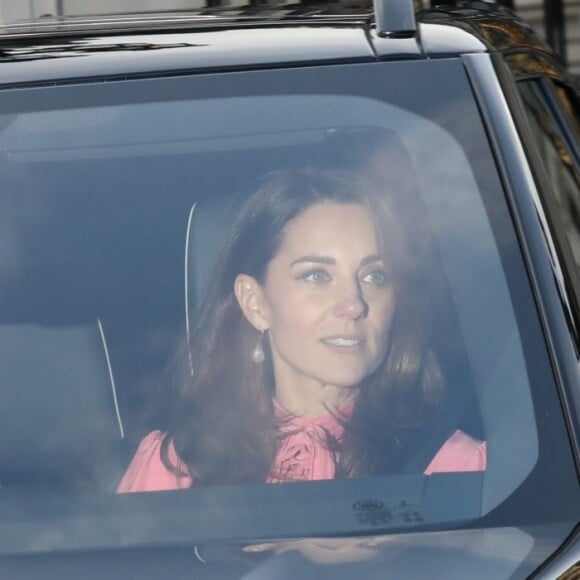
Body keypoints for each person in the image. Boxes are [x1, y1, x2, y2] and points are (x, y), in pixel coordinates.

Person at [118, 167, 485, 493]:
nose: (354, 304)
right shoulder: (178, 467)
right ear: (255, 303)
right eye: (317, 276)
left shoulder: (455, 469)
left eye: (374, 276)